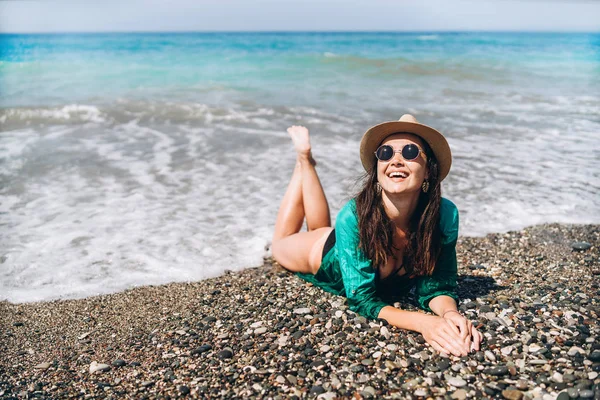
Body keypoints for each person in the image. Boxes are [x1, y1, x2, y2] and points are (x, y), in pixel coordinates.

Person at [271, 114, 482, 357]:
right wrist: (423, 323)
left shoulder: (444, 215)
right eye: (386, 153)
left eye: (411, 152)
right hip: (324, 255)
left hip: (346, 239)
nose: (396, 160)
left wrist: (450, 314)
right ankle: (304, 159)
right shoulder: (352, 216)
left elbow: (438, 285)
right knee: (281, 242)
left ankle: (306, 163)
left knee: (320, 225)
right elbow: (361, 299)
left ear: (428, 172)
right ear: (378, 170)